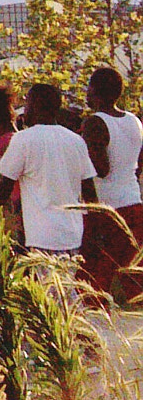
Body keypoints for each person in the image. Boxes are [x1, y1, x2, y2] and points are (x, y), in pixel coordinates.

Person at [0, 82, 97, 257]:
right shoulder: (75, 140)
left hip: (41, 238)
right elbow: (90, 192)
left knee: (47, 284)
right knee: (67, 285)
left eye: (26, 104)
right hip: (73, 236)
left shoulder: (23, 140)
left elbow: (5, 188)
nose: (24, 110)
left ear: (34, 106)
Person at [81, 68, 143, 301]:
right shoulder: (134, 121)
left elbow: (100, 170)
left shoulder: (95, 123)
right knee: (134, 280)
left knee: (93, 281)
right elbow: (138, 163)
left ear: (95, 90)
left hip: (106, 210)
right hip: (134, 203)